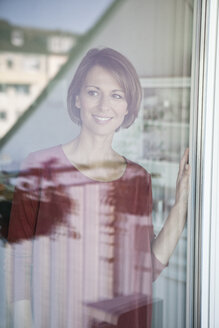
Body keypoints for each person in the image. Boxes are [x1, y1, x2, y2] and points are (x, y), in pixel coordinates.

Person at [7, 48, 190, 328]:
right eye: (94, 92)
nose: (104, 106)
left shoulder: (138, 179)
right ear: (78, 98)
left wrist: (180, 206)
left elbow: (146, 269)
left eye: (117, 95)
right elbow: (18, 264)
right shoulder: (40, 167)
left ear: (127, 107)